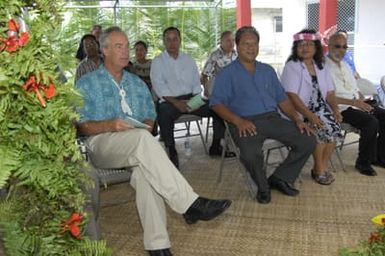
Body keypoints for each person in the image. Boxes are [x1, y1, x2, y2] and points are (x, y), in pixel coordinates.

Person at [76, 26, 231, 256]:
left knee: (145, 173)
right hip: (101, 144)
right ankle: (189, 204)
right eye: (119, 46)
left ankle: (158, 247)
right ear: (104, 50)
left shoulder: (136, 83)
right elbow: (81, 125)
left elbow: (150, 117)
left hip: (138, 148)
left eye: (127, 46)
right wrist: (111, 125)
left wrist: (148, 124)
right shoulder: (87, 83)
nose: (125, 51)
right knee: (144, 141)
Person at [210, 26, 316, 204]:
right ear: (237, 46)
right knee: (251, 154)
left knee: (308, 139)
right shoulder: (227, 74)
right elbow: (216, 104)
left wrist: (297, 119)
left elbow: (282, 100)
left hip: (272, 119)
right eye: (246, 44)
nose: (251, 48)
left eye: (254, 44)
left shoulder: (268, 71)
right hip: (244, 122)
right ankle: (263, 187)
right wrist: (238, 121)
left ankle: (281, 177)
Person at [150, 26, 233, 168]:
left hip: (191, 99)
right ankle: (171, 151)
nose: (172, 43)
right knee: (163, 112)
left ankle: (216, 146)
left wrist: (194, 101)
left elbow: (196, 84)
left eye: (175, 39)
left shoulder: (188, 60)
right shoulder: (158, 61)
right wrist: (177, 103)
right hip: (169, 101)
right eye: (168, 40)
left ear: (180, 40)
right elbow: (159, 86)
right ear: (164, 42)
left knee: (217, 107)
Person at [280, 29, 342, 185]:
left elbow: (330, 93)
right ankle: (320, 170)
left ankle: (319, 166)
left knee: (334, 131)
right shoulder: (292, 66)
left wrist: (335, 110)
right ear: (296, 48)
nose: (305, 48)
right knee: (320, 132)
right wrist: (310, 116)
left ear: (316, 48)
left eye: (309, 44)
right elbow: (291, 96)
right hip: (300, 111)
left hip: (321, 109)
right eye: (301, 45)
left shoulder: (321, 66)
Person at [326, 32, 385, 176]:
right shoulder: (322, 67)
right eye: (337, 46)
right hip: (339, 108)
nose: (341, 50)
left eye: (344, 47)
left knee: (383, 115)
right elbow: (327, 97)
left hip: (355, 103)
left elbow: (355, 88)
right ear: (329, 46)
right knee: (371, 122)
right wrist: (355, 103)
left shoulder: (346, 65)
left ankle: (378, 156)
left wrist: (363, 101)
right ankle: (363, 162)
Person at [132, 40, 158, 136]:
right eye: (137, 50)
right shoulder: (132, 66)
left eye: (141, 50)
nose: (139, 52)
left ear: (146, 51)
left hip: (152, 92)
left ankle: (153, 131)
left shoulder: (153, 64)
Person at [201, 30, 237, 97]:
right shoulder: (215, 55)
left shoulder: (237, 55)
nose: (231, 43)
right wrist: (207, 91)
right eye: (228, 40)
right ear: (221, 42)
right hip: (217, 93)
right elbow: (204, 75)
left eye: (233, 40)